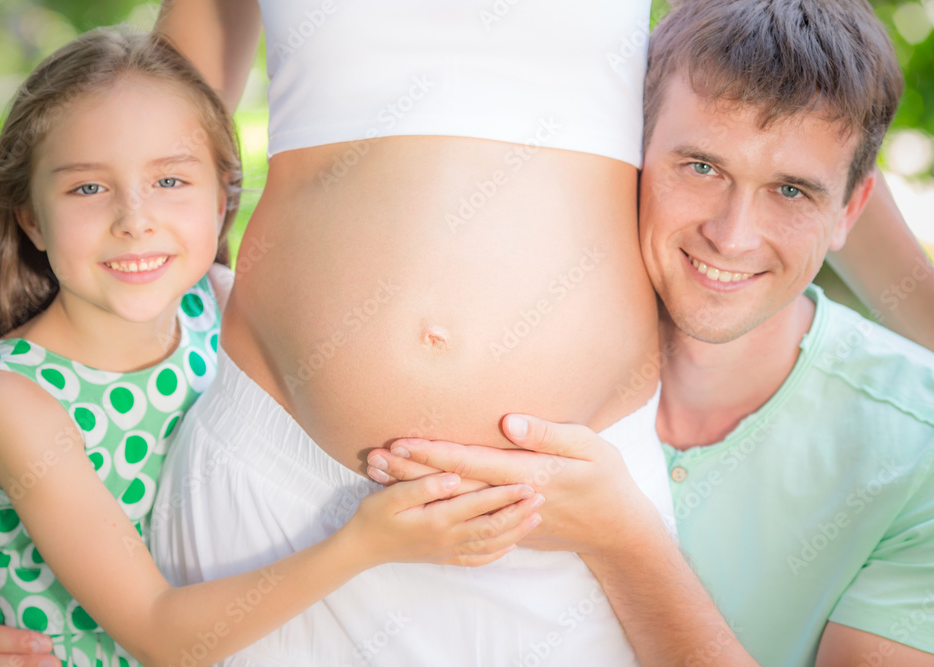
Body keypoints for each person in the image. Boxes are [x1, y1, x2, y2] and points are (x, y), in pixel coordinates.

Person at [0, 27, 543, 667]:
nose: (134, 218)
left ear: (223, 196)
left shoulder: (218, 306)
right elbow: (158, 631)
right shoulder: (14, 397)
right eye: (88, 188)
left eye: (170, 181)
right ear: (30, 216)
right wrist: (365, 543)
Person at [368, 0, 934, 663]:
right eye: (701, 167)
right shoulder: (510, 339)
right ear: (630, 151)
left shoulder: (916, 450)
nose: (732, 235)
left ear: (851, 209)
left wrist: (623, 541)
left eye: (790, 191)